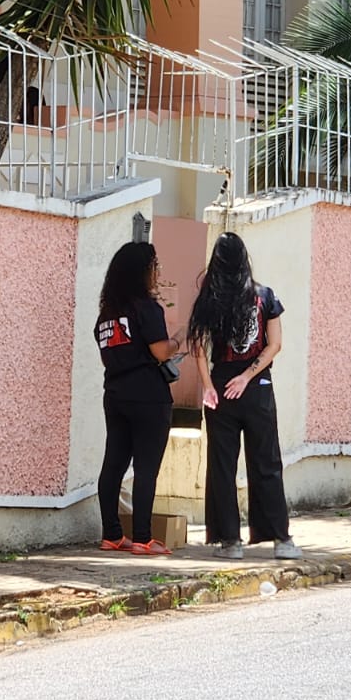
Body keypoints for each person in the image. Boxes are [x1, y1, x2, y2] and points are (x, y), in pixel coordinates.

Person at [190, 232, 302, 561]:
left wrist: (209, 385)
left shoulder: (208, 298)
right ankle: (280, 539)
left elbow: (197, 347)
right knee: (266, 463)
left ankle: (230, 542)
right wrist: (248, 375)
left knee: (222, 467)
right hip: (257, 389)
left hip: (221, 390)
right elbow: (274, 345)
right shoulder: (265, 296)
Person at [94, 241, 180, 555]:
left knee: (113, 465)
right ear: (141, 271)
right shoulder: (147, 308)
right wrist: (179, 339)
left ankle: (112, 534)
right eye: (154, 266)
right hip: (148, 397)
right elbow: (160, 351)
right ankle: (143, 538)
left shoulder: (108, 314)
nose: (158, 272)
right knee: (146, 468)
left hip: (115, 395)